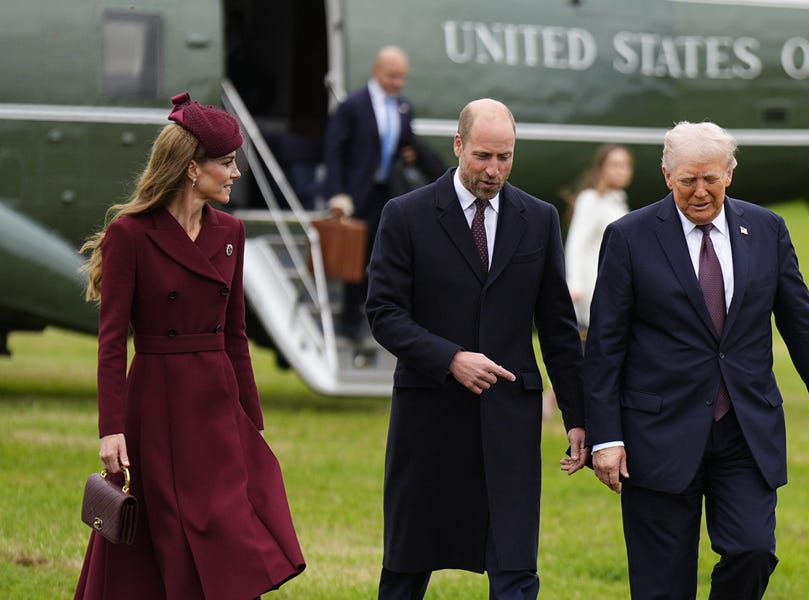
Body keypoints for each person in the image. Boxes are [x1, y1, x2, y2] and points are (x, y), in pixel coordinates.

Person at [584, 121, 809, 600]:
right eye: (687, 180)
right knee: (661, 583)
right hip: (659, 432)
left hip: (744, 429)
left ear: (730, 173)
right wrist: (605, 437)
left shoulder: (766, 230)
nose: (699, 191)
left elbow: (803, 329)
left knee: (753, 551)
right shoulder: (629, 237)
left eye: (710, 179)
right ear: (666, 175)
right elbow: (605, 345)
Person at [74, 93, 305, 599]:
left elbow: (236, 334)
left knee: (228, 520)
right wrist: (111, 429)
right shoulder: (129, 235)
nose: (236, 173)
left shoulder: (232, 233)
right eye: (226, 163)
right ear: (190, 169)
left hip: (216, 402)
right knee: (161, 530)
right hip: (154, 403)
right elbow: (112, 342)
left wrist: (252, 419)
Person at [366, 98, 586, 600]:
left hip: (510, 418)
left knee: (514, 564)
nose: (494, 170)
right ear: (458, 145)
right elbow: (384, 314)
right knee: (408, 561)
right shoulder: (406, 215)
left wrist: (578, 414)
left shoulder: (539, 218)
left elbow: (557, 327)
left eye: (505, 157)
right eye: (483, 156)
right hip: (430, 415)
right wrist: (450, 358)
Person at [323, 45, 443, 345]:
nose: (397, 83)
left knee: (383, 256)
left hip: (388, 193)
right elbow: (334, 151)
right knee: (355, 257)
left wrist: (437, 172)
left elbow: (407, 142)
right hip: (357, 194)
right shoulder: (353, 105)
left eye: (402, 77)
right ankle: (350, 322)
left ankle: (376, 317)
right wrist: (337, 193)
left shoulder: (403, 106)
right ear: (377, 71)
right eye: (392, 76)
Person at [564, 144, 633, 334]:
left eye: (626, 165)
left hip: (615, 285)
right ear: (601, 167)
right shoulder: (590, 199)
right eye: (615, 165)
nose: (622, 171)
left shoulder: (619, 198)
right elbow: (576, 243)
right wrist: (574, 284)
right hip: (591, 287)